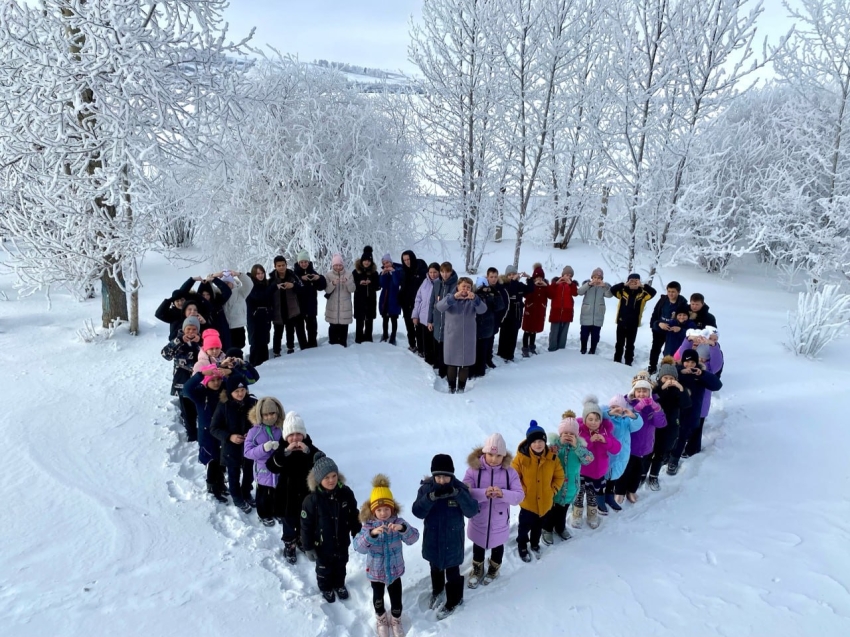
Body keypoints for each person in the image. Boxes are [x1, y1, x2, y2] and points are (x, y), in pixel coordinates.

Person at [412, 454, 478, 621]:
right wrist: (430, 498)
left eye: (445, 476)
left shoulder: (460, 488)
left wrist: (458, 494)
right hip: (432, 539)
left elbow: (472, 511)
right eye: (438, 476)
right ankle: (437, 590)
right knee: (435, 567)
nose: (442, 480)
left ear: (452, 475)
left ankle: (454, 600)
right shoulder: (426, 489)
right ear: (433, 475)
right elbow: (417, 512)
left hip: (453, 541)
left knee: (453, 572)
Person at [353, 475, 420, 637]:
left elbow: (414, 538)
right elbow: (358, 547)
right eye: (379, 510)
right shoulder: (368, 526)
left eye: (387, 509)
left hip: (395, 571)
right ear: (373, 510)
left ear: (392, 508)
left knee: (396, 599)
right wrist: (372, 534)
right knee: (378, 598)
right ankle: (381, 618)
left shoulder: (398, 522)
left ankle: (396, 620)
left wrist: (402, 529)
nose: (383, 513)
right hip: (376, 573)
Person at [462, 434, 523, 587]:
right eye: (490, 454)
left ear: (504, 456)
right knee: (478, 546)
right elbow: (464, 492)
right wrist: (483, 493)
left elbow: (519, 496)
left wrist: (503, 493)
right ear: (484, 452)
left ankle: (494, 569)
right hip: (478, 519)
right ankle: (477, 569)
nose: (494, 459)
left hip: (499, 521)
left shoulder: (510, 472)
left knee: (497, 547)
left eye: (498, 455)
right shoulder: (473, 470)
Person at [301, 453, 361, 603]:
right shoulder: (312, 500)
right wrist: (308, 547)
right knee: (324, 569)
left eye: (334, 476)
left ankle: (339, 584)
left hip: (341, 540)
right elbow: (306, 526)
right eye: (326, 477)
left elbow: (354, 514)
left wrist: (357, 532)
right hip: (322, 544)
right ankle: (325, 587)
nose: (331, 480)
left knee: (341, 565)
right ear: (319, 479)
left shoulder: (345, 493)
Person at [265, 411, 323, 564]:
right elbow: (271, 466)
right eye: (291, 435)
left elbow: (323, 463)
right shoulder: (283, 450)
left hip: (306, 495)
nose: (295, 438)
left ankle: (303, 541)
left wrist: (308, 452)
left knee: (306, 521)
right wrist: (285, 453)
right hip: (287, 496)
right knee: (289, 522)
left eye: (298, 434)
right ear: (286, 437)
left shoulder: (310, 449)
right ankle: (289, 543)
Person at [511, 421, 565, 562]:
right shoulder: (520, 459)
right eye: (534, 441)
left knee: (538, 527)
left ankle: (535, 543)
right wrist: (523, 492)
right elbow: (513, 478)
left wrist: (552, 490)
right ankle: (522, 545)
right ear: (529, 443)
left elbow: (559, 476)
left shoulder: (552, 457)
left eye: (540, 440)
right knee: (524, 527)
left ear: (545, 441)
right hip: (528, 503)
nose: (538, 444)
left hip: (546, 503)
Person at [667, 349, 723, 475]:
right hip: (674, 410)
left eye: (693, 362)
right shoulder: (676, 371)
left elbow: (717, 385)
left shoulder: (700, 375)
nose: (690, 365)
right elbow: (663, 379)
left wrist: (702, 373)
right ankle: (666, 456)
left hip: (691, 412)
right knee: (670, 435)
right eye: (687, 362)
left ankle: (674, 460)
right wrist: (681, 372)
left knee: (682, 436)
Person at [542, 412, 593, 542]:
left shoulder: (579, 448)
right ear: (560, 434)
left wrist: (577, 447)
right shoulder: (554, 447)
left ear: (576, 435)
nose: (568, 436)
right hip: (554, 487)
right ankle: (547, 529)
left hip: (570, 486)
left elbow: (589, 459)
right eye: (565, 433)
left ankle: (560, 528)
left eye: (572, 434)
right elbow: (545, 458)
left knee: (563, 510)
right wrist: (558, 445)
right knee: (551, 510)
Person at [210, 375, 258, 513]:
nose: (240, 393)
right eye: (236, 391)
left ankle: (246, 492)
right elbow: (214, 428)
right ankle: (237, 496)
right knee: (233, 473)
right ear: (230, 392)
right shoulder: (224, 406)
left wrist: (252, 434)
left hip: (249, 446)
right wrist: (229, 437)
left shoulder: (253, 403)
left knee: (249, 472)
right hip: (231, 447)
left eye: (243, 390)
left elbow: (260, 423)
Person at [182, 365, 230, 503]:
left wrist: (229, 370)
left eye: (218, 380)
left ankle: (220, 484)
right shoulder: (200, 394)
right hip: (207, 433)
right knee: (212, 460)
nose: (216, 383)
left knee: (222, 460)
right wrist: (201, 374)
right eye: (212, 380)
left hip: (222, 432)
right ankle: (212, 485)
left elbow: (238, 382)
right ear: (207, 381)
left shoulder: (225, 392)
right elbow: (186, 389)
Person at [573, 397, 621, 529]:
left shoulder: (605, 431)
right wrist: (590, 441)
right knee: (579, 494)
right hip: (582, 471)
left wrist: (605, 440)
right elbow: (578, 449)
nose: (594, 423)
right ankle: (576, 514)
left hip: (598, 472)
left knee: (592, 494)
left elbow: (616, 448)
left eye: (597, 419)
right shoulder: (580, 432)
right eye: (590, 419)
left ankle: (592, 514)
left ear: (601, 420)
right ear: (584, 419)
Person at [618, 377, 667, 503]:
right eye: (638, 391)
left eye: (644, 391)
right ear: (633, 392)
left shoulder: (653, 406)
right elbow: (624, 421)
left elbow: (661, 424)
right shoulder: (628, 404)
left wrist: (657, 410)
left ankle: (631, 491)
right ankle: (619, 492)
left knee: (638, 472)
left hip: (645, 447)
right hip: (630, 446)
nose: (641, 394)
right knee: (625, 471)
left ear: (649, 393)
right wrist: (637, 409)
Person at [435, 277, 487, 393]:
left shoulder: (473, 299)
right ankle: (451, 387)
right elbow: (439, 307)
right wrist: (453, 297)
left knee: (465, 364)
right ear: (458, 287)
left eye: (468, 287)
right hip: (452, 336)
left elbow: (483, 310)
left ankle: (461, 388)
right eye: (463, 286)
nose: (465, 289)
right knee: (452, 363)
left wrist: (475, 300)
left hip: (468, 337)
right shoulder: (450, 297)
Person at [242, 397, 285, 527]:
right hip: (263, 471)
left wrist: (281, 448)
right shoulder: (254, 431)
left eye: (272, 413)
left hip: (278, 469)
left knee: (278, 493)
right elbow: (247, 452)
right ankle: (263, 514)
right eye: (265, 415)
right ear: (260, 415)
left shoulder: (281, 428)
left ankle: (277, 511)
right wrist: (263, 448)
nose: (269, 417)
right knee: (263, 496)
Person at [647, 357, 688, 490]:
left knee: (660, 453)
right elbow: (653, 401)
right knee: (648, 452)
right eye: (666, 378)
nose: (669, 380)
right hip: (654, 427)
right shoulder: (656, 389)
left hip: (669, 427)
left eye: (672, 378)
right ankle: (642, 474)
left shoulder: (679, 391)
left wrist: (681, 389)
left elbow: (686, 404)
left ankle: (654, 476)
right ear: (660, 378)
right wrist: (662, 388)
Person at [160, 316, 202, 441]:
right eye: (188, 329)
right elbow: (165, 354)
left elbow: (211, 354)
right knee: (187, 409)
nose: (191, 332)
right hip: (182, 380)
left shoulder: (201, 341)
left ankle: (201, 431)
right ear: (184, 329)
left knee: (198, 405)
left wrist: (200, 342)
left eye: (194, 329)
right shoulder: (177, 341)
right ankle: (191, 434)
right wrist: (178, 341)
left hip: (198, 380)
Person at [601, 395, 643, 513]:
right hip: (607, 454)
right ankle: (600, 498)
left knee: (614, 477)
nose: (616, 410)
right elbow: (601, 414)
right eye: (613, 407)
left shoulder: (626, 421)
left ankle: (610, 497)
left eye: (618, 407)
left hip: (620, 455)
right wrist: (610, 412)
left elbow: (638, 425)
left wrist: (633, 416)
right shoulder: (606, 419)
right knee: (603, 477)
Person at [610, 274, 657, 366]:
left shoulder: (643, 294)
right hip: (621, 321)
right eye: (631, 280)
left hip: (633, 323)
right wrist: (624, 284)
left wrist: (642, 286)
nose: (634, 282)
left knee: (630, 344)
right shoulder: (622, 292)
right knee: (619, 343)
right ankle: (617, 360)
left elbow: (653, 292)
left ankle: (628, 362)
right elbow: (612, 290)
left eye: (636, 280)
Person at [648, 281, 689, 374]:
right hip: (660, 329)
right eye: (669, 291)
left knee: (670, 351)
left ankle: (668, 369)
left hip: (672, 332)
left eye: (673, 291)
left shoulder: (682, 303)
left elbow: (685, 318)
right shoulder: (663, 300)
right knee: (655, 348)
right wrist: (656, 324)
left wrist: (679, 328)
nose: (670, 294)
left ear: (678, 292)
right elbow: (655, 314)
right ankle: (652, 366)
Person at [471, 270, 506, 377]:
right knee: (474, 351)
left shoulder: (490, 296)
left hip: (487, 327)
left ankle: (481, 370)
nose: (484, 290)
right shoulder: (473, 296)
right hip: (475, 327)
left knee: (484, 349)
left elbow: (500, 307)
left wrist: (496, 294)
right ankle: (472, 370)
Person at [428, 262, 458, 378]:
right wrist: (429, 320)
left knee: (448, 346)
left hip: (450, 320)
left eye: (447, 272)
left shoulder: (456, 284)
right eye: (442, 272)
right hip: (437, 319)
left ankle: (447, 370)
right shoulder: (437, 284)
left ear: (451, 272)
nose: (445, 274)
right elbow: (432, 302)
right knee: (438, 343)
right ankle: (440, 368)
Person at [270, 256, 305, 355]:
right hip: (278, 310)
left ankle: (290, 348)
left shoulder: (292, 276)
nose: (281, 267)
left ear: (286, 265)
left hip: (291, 308)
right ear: (275, 266)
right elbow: (268, 294)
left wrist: (293, 286)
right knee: (277, 333)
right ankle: (276, 352)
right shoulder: (272, 279)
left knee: (290, 330)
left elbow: (302, 289)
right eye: (279, 265)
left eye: (283, 265)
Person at [294, 251, 327, 349]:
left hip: (311, 305)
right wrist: (301, 279)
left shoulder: (313, 272)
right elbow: (293, 287)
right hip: (298, 306)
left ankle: (313, 345)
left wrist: (319, 278)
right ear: (298, 263)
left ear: (308, 262)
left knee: (312, 327)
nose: (304, 264)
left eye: (305, 262)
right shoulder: (294, 274)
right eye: (302, 262)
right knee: (300, 329)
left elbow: (322, 286)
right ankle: (303, 347)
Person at [496, 265, 530, 361]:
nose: (511, 276)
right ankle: (501, 354)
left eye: (513, 274)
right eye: (509, 274)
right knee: (504, 335)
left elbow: (530, 290)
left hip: (517, 314)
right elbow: (511, 291)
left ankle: (510, 355)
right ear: (506, 276)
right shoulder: (504, 285)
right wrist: (514, 281)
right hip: (506, 315)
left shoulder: (519, 285)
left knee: (513, 336)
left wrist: (529, 278)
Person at [576, 267, 612, 355]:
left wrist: (604, 287)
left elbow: (609, 295)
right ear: (592, 277)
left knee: (595, 335)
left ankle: (593, 350)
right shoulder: (587, 285)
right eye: (595, 277)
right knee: (584, 334)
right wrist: (589, 284)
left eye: (599, 278)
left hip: (598, 315)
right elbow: (579, 292)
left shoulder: (604, 287)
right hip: (586, 314)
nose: (597, 279)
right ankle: (583, 348)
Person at [399, 250, 428, 353]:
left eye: (408, 259)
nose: (407, 262)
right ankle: (412, 345)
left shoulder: (421, 269)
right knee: (409, 325)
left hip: (419, 303)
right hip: (406, 303)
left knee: (419, 327)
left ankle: (422, 348)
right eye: (404, 260)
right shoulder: (403, 270)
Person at [324, 254, 356, 347]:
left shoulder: (349, 274)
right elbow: (327, 290)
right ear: (332, 265)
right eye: (336, 265)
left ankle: (343, 343)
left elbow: (352, 289)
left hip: (345, 305)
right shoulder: (329, 275)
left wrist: (347, 282)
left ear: (343, 265)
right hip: (332, 305)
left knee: (344, 326)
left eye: (340, 265)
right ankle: (333, 342)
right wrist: (333, 283)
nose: (338, 267)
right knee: (333, 326)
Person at [246, 264, 274, 366]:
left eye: (262, 273)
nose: (260, 275)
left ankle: (265, 364)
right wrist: (272, 288)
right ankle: (254, 365)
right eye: (258, 273)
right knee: (255, 343)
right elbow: (259, 296)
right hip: (254, 318)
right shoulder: (250, 285)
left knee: (264, 342)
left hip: (265, 317)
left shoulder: (266, 284)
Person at [412, 263, 440, 363]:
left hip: (433, 318)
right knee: (424, 341)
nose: (432, 274)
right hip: (422, 316)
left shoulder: (440, 283)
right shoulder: (425, 281)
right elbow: (418, 298)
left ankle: (434, 361)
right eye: (431, 272)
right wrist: (415, 315)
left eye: (435, 272)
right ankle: (426, 359)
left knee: (433, 342)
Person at [547, 266, 579, 352]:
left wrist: (571, 284)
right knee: (554, 331)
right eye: (566, 274)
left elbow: (575, 293)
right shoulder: (556, 283)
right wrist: (555, 284)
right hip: (556, 310)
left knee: (564, 332)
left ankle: (561, 350)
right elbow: (550, 295)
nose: (568, 277)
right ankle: (552, 348)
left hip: (567, 311)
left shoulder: (572, 285)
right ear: (562, 274)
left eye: (570, 275)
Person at [196, 276, 233, 350]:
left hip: (223, 335)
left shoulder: (217, 302)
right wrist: (192, 280)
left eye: (208, 294)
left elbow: (227, 291)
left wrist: (214, 279)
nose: (206, 297)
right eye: (203, 295)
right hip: (209, 339)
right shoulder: (197, 307)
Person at [521, 264, 549, 357]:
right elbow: (526, 296)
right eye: (537, 277)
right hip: (530, 311)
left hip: (539, 312)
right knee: (527, 331)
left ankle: (532, 347)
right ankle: (525, 348)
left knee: (534, 331)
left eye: (541, 278)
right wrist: (533, 286)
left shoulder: (545, 287)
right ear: (534, 278)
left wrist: (546, 286)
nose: (539, 280)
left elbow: (551, 295)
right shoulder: (530, 286)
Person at [218, 270, 251, 349]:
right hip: (225, 328)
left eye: (228, 283)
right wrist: (215, 276)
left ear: (232, 282)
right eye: (224, 283)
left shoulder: (240, 291)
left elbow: (249, 284)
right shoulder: (219, 293)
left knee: (238, 348)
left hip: (238, 326)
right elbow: (207, 284)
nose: (226, 285)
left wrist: (239, 274)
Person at [353, 246, 380, 344]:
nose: (366, 262)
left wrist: (371, 283)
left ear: (371, 262)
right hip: (359, 299)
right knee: (360, 320)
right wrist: (359, 283)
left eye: (368, 261)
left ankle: (368, 337)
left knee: (369, 319)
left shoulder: (374, 273)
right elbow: (351, 285)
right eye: (364, 260)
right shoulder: (356, 272)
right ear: (361, 261)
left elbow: (378, 286)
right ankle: (358, 337)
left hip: (371, 299)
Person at [379, 253, 404, 345]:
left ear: (391, 262)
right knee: (385, 318)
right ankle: (385, 334)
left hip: (394, 297)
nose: (386, 264)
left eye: (387, 262)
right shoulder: (383, 271)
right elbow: (382, 284)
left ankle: (393, 336)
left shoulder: (398, 270)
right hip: (385, 298)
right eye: (384, 263)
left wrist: (393, 272)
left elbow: (396, 283)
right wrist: (383, 275)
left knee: (394, 318)